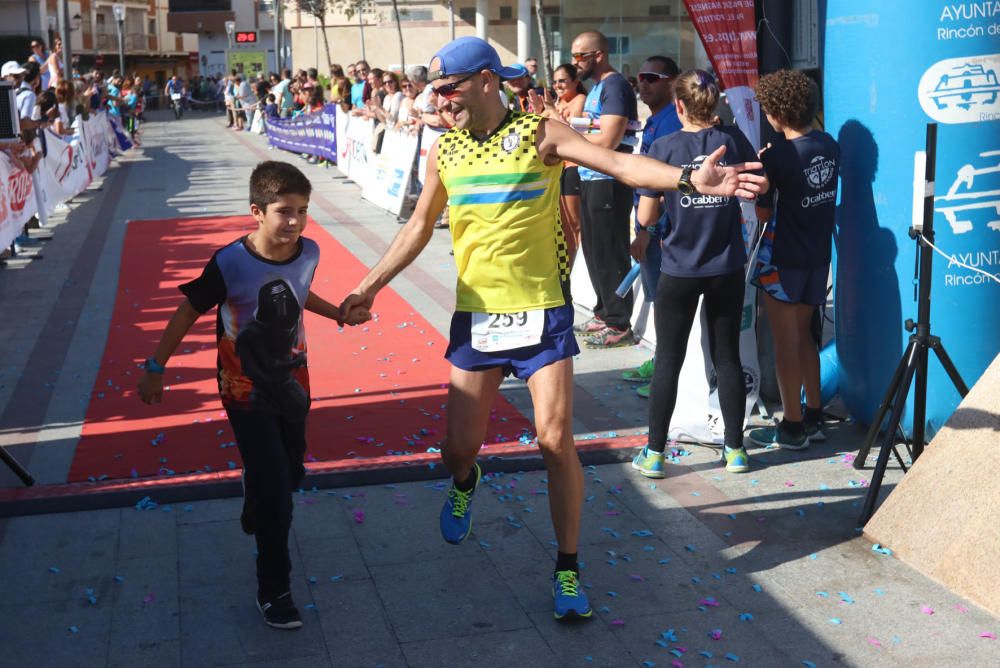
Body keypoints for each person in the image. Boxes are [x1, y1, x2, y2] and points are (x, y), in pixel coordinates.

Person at [337, 37, 765, 622]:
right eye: (435, 90)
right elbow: (417, 226)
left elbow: (618, 162)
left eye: (449, 87)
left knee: (554, 440)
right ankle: (467, 479)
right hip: (478, 317)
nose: (438, 100)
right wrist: (369, 285)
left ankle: (567, 568)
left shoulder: (540, 132)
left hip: (542, 312)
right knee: (456, 447)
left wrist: (688, 180)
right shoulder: (445, 151)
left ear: (487, 79)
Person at [137, 161, 361, 630]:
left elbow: (300, 296)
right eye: (284, 211)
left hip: (294, 383)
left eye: (303, 211)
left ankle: (256, 489)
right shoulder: (229, 263)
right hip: (243, 390)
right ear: (256, 211)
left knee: (292, 468)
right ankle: (274, 590)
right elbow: (186, 313)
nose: (295, 222)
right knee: (278, 495)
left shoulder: (310, 251)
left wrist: (338, 312)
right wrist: (157, 367)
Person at [630, 70, 766, 479]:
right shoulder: (734, 139)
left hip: (679, 268)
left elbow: (647, 212)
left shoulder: (664, 145)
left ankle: (654, 454)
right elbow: (761, 184)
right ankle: (736, 450)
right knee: (726, 356)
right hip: (726, 265)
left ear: (679, 106)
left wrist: (645, 231)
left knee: (668, 357)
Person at [748, 69, 839, 450]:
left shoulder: (778, 156)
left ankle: (792, 426)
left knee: (786, 343)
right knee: (805, 337)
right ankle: (814, 413)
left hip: (783, 257)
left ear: (777, 114)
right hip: (817, 255)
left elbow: (764, 214)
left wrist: (763, 167)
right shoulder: (829, 144)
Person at [570, 30, 640, 349]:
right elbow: (591, 131)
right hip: (590, 175)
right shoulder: (597, 87)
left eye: (580, 56)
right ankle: (603, 311)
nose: (575, 63)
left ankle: (619, 323)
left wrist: (571, 140)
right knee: (594, 250)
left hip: (609, 180)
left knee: (611, 251)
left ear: (599, 55)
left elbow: (609, 140)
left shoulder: (614, 85)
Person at [623, 56, 683, 396]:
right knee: (658, 298)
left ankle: (667, 369)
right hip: (649, 222)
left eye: (651, 77)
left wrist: (647, 230)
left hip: (662, 227)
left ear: (672, 82)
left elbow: (664, 182)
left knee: (666, 301)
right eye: (639, 77)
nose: (642, 84)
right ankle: (663, 360)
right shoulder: (658, 119)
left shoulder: (673, 122)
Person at [528, 63, 587, 266]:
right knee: (563, 224)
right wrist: (539, 111)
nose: (558, 85)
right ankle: (570, 270)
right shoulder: (556, 103)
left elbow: (570, 133)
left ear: (575, 82)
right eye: (555, 81)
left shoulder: (579, 100)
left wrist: (551, 110)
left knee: (575, 222)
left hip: (572, 167)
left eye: (563, 80)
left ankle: (582, 269)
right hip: (555, 169)